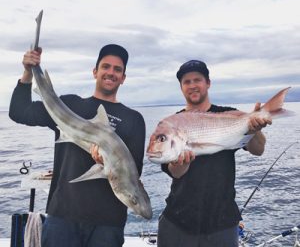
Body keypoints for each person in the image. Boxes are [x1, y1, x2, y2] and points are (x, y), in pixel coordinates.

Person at [9, 44, 146, 247]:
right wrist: (29, 72)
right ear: (95, 72)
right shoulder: (70, 105)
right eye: (106, 67)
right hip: (62, 217)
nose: (111, 73)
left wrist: (106, 163)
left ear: (123, 78)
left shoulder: (133, 119)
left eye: (118, 69)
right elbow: (19, 112)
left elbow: (135, 171)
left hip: (108, 225)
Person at [157, 60, 271, 247]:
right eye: (187, 81)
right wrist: (181, 164)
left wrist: (255, 128)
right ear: (181, 87)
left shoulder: (230, 115)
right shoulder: (171, 124)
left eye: (198, 80)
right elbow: (174, 172)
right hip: (178, 221)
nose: (193, 85)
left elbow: (258, 150)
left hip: (223, 223)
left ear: (208, 83)